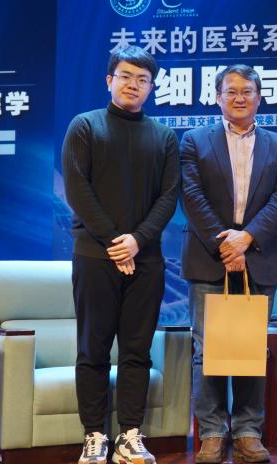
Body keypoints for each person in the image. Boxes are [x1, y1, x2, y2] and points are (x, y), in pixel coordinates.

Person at [61, 46, 180, 464]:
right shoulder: (85, 126)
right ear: (109, 80)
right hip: (94, 257)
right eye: (126, 76)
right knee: (92, 350)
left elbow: (169, 197)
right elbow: (77, 190)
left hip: (146, 261)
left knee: (137, 351)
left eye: (143, 79)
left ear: (152, 87)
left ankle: (130, 435)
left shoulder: (164, 137)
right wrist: (116, 241)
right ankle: (94, 436)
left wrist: (137, 241)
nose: (134, 85)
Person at [180, 65, 277, 464]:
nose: (239, 97)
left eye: (247, 91)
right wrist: (226, 242)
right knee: (206, 349)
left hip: (259, 257)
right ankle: (212, 432)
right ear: (217, 97)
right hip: (208, 257)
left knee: (250, 347)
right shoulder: (194, 141)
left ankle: (248, 431)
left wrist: (246, 239)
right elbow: (191, 196)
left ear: (259, 97)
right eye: (231, 91)